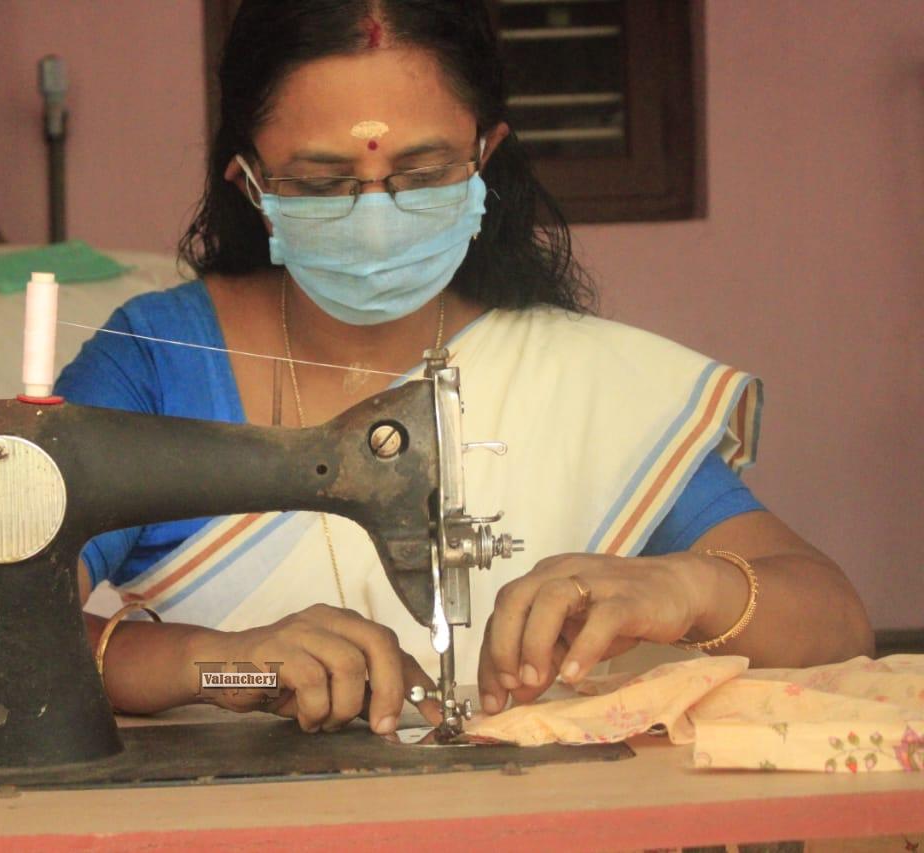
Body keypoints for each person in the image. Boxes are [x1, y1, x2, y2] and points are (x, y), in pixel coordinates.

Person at [55, 0, 872, 736]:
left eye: (421, 174)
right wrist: (215, 660)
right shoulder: (155, 363)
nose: (375, 216)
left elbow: (836, 620)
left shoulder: (583, 381)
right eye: (323, 182)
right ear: (253, 184)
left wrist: (684, 590)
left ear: (486, 160)